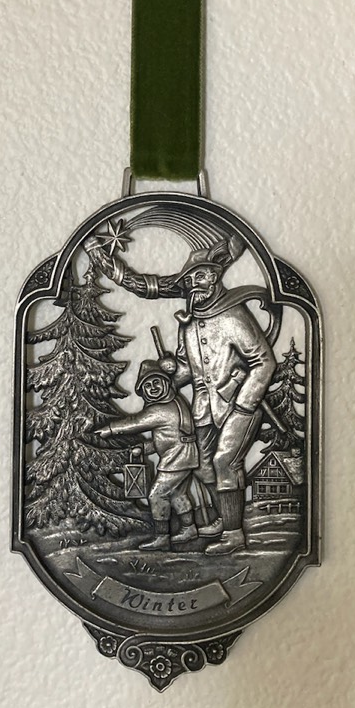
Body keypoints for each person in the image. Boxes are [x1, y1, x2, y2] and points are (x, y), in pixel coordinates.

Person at [86, 234, 276, 555]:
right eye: (189, 280)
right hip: (203, 409)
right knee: (203, 468)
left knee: (225, 461)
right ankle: (219, 520)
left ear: (215, 276)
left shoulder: (234, 315)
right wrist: (171, 374)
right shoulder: (188, 325)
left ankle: (234, 535)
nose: (194, 284)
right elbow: (191, 370)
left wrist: (245, 404)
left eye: (200, 276)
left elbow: (264, 362)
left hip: (238, 405)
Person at [96, 357, 201, 550]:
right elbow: (168, 437)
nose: (152, 388)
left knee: (156, 495)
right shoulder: (177, 403)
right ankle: (190, 528)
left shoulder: (159, 410)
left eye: (156, 382)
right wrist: (145, 448)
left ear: (166, 383)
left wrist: (110, 429)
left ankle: (162, 537)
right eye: (147, 385)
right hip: (186, 456)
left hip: (176, 459)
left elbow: (135, 423)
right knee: (178, 494)